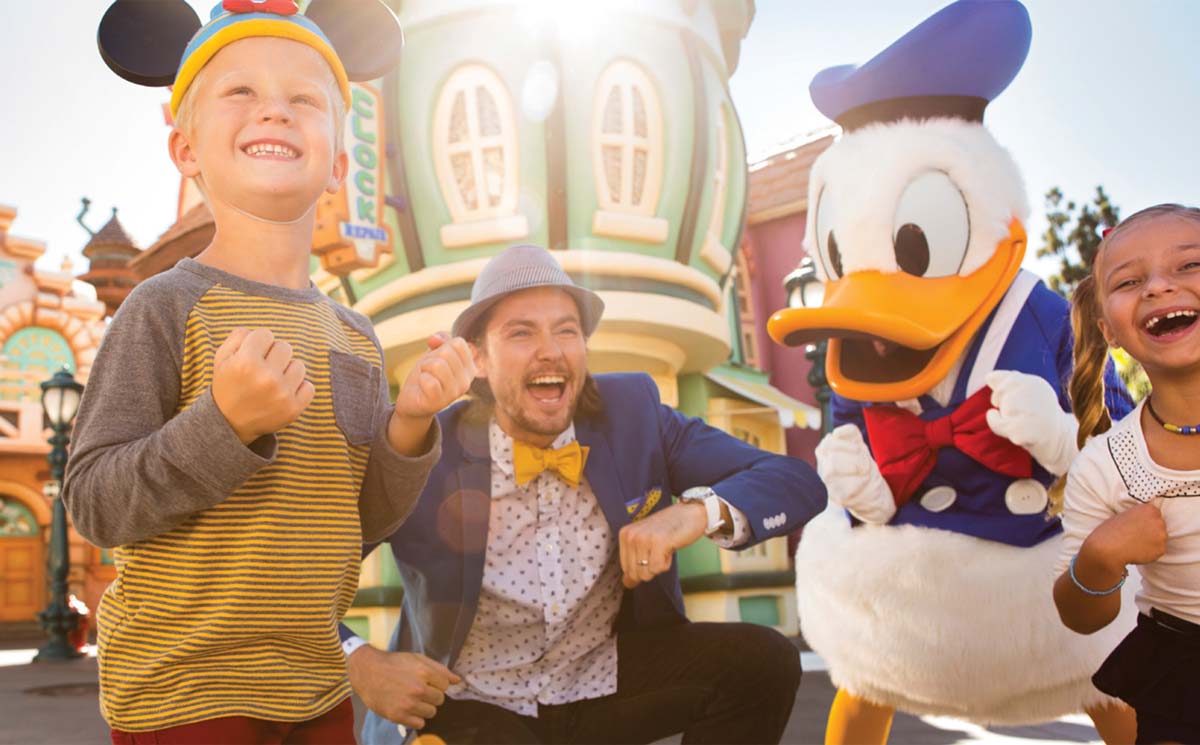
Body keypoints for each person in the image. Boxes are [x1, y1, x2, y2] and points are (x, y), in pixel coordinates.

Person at [64, 2, 474, 741]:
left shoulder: (354, 334)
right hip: (184, 691)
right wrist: (222, 426)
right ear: (185, 149)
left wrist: (410, 426)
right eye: (241, 92)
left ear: (339, 162)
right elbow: (94, 502)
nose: (275, 112)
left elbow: (358, 525)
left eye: (304, 98)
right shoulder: (162, 308)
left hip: (317, 689)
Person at [340, 244, 826, 744]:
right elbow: (302, 574)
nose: (550, 350)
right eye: (521, 332)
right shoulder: (429, 450)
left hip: (604, 687)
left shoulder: (634, 416)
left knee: (762, 663)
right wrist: (360, 662)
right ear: (478, 358)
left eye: (566, 330)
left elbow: (796, 481)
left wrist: (694, 515)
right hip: (473, 703)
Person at [1053, 204, 1200, 745]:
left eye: (1189, 265)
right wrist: (1098, 558)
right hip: (1184, 683)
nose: (1159, 287)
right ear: (1108, 329)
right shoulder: (1106, 465)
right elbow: (1080, 616)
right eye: (1131, 280)